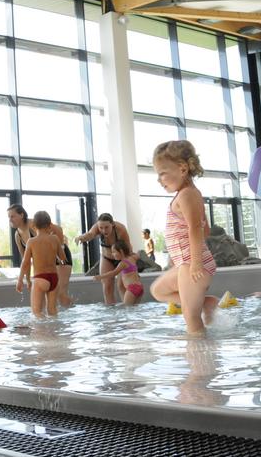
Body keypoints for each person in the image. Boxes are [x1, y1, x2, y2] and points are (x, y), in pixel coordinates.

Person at [149, 140, 218, 334]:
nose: (159, 179)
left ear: (182, 168)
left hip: (192, 263)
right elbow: (206, 230)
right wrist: (178, 256)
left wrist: (195, 263)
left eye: (162, 173)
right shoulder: (186, 194)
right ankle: (206, 303)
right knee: (158, 290)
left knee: (190, 317)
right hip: (186, 261)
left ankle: (198, 356)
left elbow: (196, 229)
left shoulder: (187, 194)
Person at [8, 204, 72, 307]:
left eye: (12, 216)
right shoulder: (17, 235)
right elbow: (26, 260)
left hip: (60, 257)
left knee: (60, 294)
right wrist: (27, 280)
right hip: (45, 263)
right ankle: (51, 320)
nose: (10, 219)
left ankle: (72, 315)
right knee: (46, 299)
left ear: (21, 215)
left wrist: (59, 248)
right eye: (9, 217)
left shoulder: (34, 223)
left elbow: (58, 229)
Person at [76, 213, 133, 305]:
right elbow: (90, 235)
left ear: (112, 224)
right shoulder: (97, 227)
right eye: (101, 228)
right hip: (107, 258)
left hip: (122, 259)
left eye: (106, 227)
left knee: (121, 286)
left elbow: (128, 248)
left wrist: (131, 264)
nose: (103, 230)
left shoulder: (120, 229)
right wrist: (81, 237)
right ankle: (111, 313)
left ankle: (127, 309)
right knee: (107, 286)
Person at [16, 211, 62, 318]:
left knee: (37, 312)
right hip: (54, 278)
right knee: (52, 310)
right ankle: (55, 333)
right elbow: (62, 258)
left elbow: (25, 262)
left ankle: (41, 334)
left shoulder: (31, 242)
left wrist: (20, 280)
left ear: (33, 225)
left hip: (40, 278)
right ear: (50, 224)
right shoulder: (54, 239)